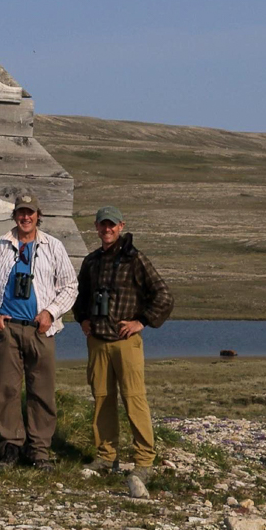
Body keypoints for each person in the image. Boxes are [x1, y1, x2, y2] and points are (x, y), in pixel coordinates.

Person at [0, 192, 79, 471]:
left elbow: (70, 287)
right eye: (21, 212)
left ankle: (39, 451)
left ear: (38, 215)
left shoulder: (53, 247)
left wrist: (51, 313)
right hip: (7, 329)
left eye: (30, 212)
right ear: (15, 215)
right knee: (5, 390)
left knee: (41, 391)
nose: (26, 217)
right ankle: (10, 446)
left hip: (41, 330)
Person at [73, 206, 174, 481]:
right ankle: (106, 457)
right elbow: (80, 296)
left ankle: (144, 460)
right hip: (97, 342)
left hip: (126, 342)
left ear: (121, 226)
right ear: (96, 227)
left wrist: (141, 322)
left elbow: (163, 295)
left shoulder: (135, 259)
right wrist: (82, 319)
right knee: (102, 400)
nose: (107, 229)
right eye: (102, 225)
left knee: (134, 399)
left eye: (112, 225)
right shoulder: (91, 261)